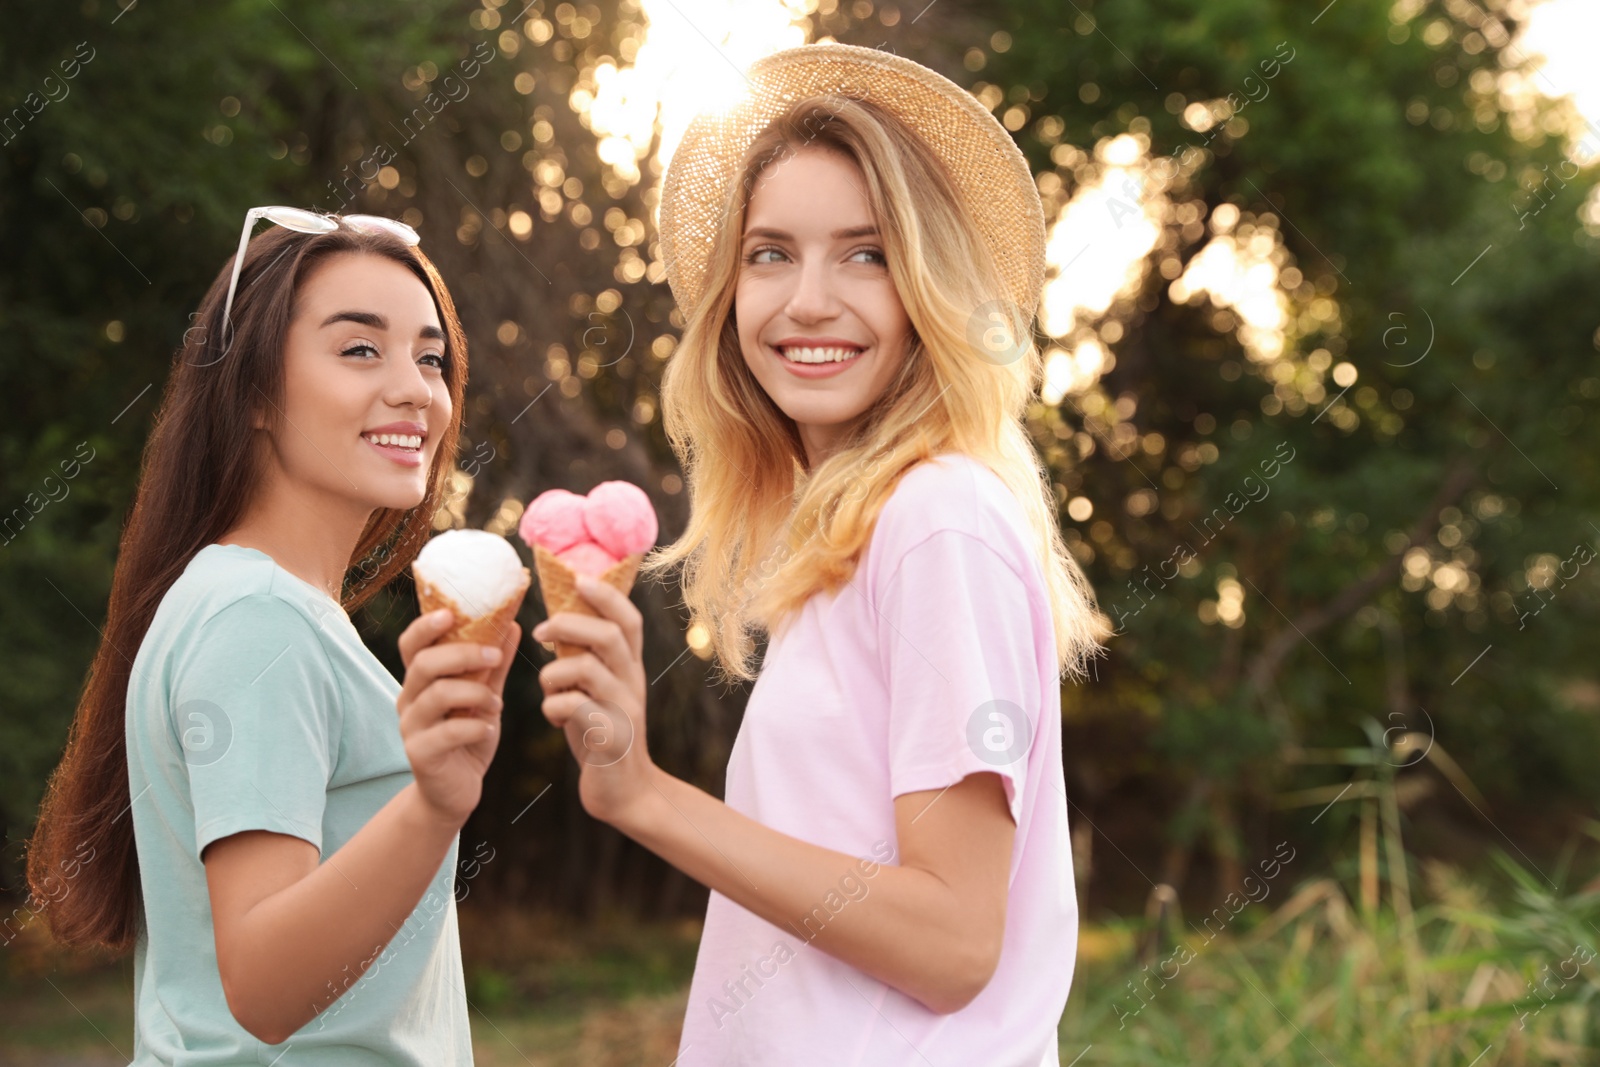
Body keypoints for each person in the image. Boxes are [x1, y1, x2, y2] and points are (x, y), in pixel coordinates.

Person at [530, 43, 1108, 1065]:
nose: (806, 300)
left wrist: (644, 794)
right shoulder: (856, 538)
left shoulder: (937, 520)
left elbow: (951, 940)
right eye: (769, 253)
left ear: (927, 289)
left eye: (866, 252)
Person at [25, 208, 518, 1064]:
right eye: (360, 348)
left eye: (430, 356)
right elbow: (263, 982)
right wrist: (435, 803)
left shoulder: (252, 603)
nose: (415, 389)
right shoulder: (258, 621)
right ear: (253, 391)